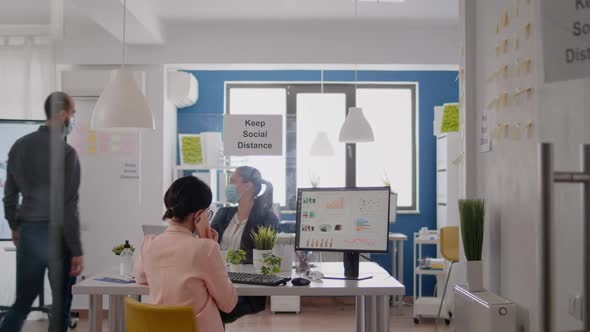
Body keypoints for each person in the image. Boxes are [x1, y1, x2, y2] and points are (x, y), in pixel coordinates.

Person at [1, 92, 84, 332]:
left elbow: (9, 195)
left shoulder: (20, 146)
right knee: (60, 307)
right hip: (58, 236)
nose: (73, 118)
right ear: (61, 114)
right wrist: (76, 250)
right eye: (73, 113)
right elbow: (68, 206)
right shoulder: (67, 154)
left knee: (22, 302)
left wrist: (15, 227)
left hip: (29, 233)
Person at [134, 176, 238, 332]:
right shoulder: (206, 249)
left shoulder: (150, 243)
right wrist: (209, 243)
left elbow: (141, 277)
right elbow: (229, 303)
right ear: (199, 216)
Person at [211, 166, 279, 323]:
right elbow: (207, 245)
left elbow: (260, 256)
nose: (229, 186)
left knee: (210, 307)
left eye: (233, 181)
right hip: (218, 279)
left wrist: (224, 256)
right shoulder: (223, 214)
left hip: (245, 286)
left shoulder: (267, 219)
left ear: (248, 186)